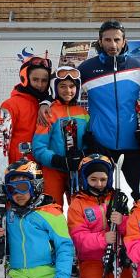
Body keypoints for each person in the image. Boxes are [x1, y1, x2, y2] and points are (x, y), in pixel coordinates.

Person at [78, 21, 140, 198]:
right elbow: (63, 90)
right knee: (99, 197)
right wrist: (45, 103)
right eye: (107, 40)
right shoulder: (87, 69)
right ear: (100, 41)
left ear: (124, 41)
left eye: (117, 39)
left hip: (133, 144)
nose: (112, 45)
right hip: (101, 145)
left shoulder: (138, 68)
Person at [66, 154, 133, 278]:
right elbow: (78, 237)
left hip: (116, 254)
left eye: (103, 179)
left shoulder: (117, 199)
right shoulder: (78, 204)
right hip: (92, 258)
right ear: (85, 179)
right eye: (93, 179)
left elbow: (131, 229)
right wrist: (103, 238)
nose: (99, 184)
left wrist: (122, 221)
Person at [32, 65, 89, 206]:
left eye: (72, 86)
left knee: (79, 209)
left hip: (77, 169)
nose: (68, 90)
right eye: (63, 86)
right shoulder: (49, 112)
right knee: (52, 208)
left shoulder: (83, 113)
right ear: (55, 87)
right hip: (53, 170)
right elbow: (38, 147)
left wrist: (84, 153)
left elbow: (88, 143)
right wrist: (58, 160)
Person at [2, 56, 52, 163]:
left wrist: (47, 101)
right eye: (35, 80)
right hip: (20, 170)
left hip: (45, 166)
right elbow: (1, 144)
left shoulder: (48, 104)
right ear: (25, 79)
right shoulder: (11, 105)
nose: (40, 85)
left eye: (44, 81)